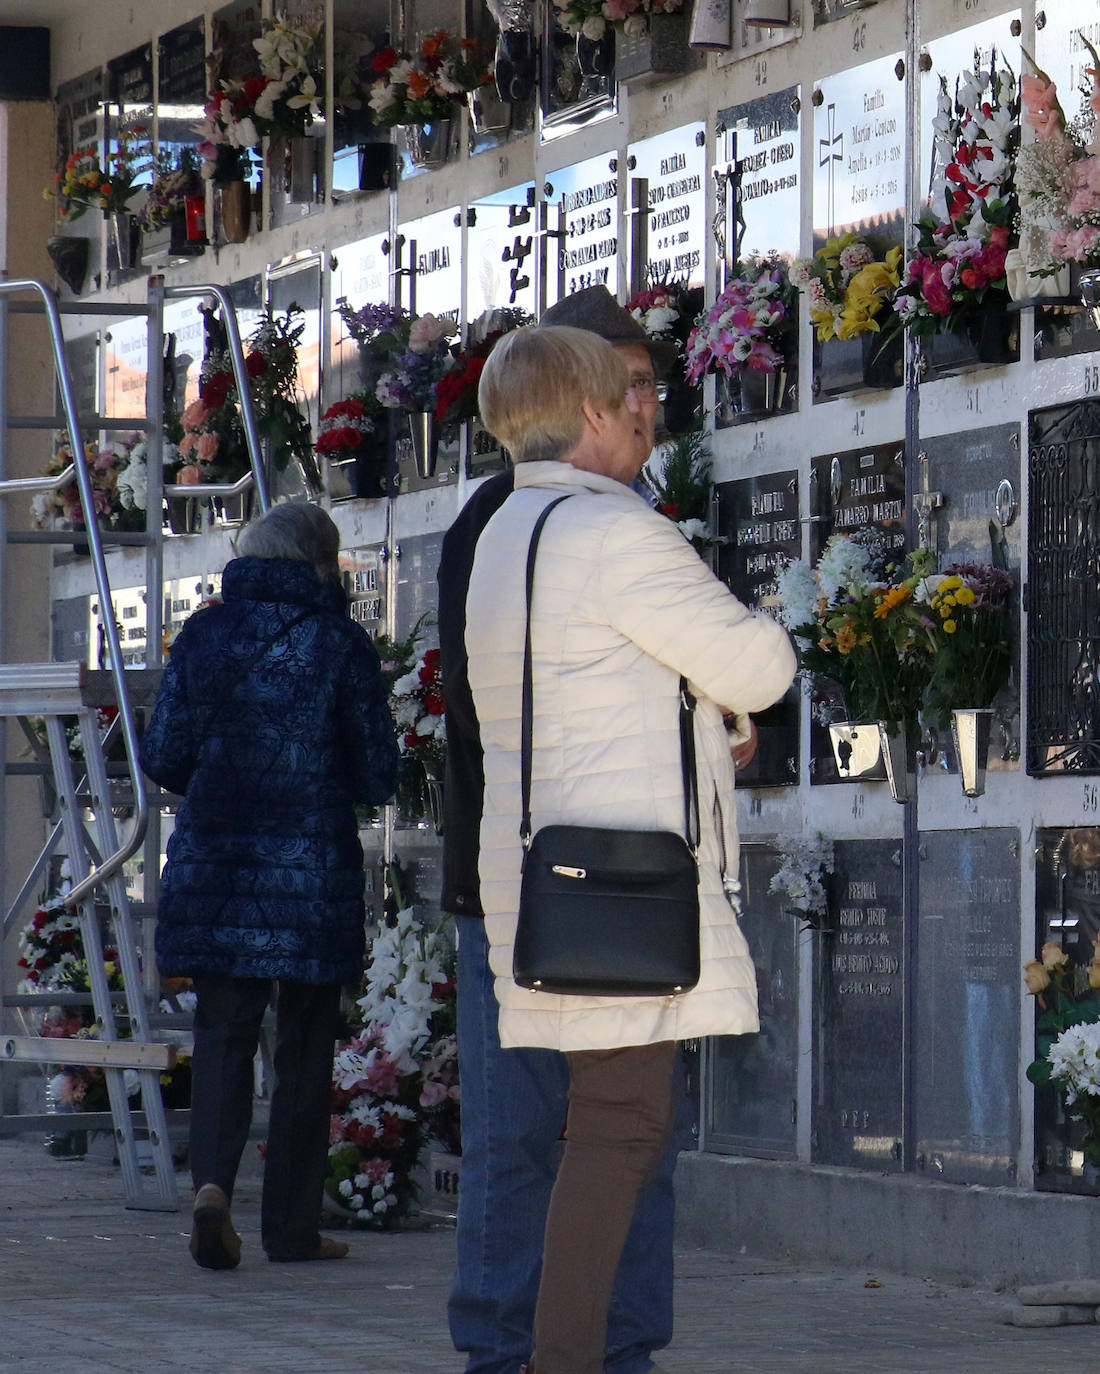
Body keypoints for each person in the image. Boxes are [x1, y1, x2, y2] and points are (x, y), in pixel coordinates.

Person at [460, 324, 796, 1374]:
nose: (647, 415)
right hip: (621, 881)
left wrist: (694, 705)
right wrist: (737, 666)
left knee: (594, 1130)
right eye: (631, 398)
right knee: (618, 1127)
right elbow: (757, 664)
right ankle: (563, 1361)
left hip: (542, 872)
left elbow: (591, 679)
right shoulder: (617, 534)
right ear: (593, 413)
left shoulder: (508, 530)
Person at [139, 501, 398, 1269]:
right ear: (321, 562)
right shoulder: (339, 644)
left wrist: (220, 779)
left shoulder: (206, 634)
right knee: (306, 1045)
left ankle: (212, 1188)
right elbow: (379, 772)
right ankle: (290, 1225)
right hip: (309, 873)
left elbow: (162, 753)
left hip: (216, 862)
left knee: (222, 1032)